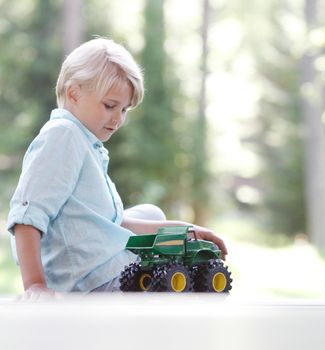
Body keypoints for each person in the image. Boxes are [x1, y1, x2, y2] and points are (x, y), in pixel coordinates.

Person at [7, 38, 227, 298]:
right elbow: (27, 216)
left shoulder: (86, 142)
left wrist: (185, 230)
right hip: (90, 281)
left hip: (98, 260)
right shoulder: (63, 136)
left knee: (152, 214)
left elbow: (110, 223)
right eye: (110, 106)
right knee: (186, 295)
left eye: (124, 109)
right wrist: (35, 286)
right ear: (74, 93)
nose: (118, 118)